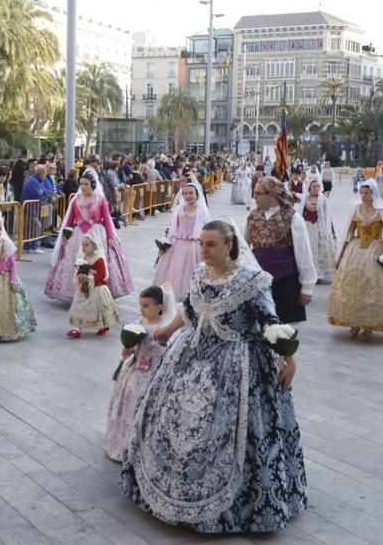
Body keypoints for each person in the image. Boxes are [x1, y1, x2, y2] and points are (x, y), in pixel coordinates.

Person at [121, 220, 307, 533]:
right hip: (193, 354)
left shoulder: (252, 281)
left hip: (238, 362)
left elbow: (271, 323)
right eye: (201, 244)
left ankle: (237, 504)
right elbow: (191, 309)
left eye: (211, 245)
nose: (204, 251)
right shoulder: (199, 274)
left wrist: (289, 360)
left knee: (226, 430)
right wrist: (166, 330)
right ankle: (172, 490)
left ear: (229, 246)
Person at [327, 180, 383, 339]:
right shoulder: (355, 210)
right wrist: (340, 256)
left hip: (376, 250)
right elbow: (348, 235)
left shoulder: (382, 211)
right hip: (355, 251)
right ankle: (353, 322)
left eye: (367, 193)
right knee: (351, 286)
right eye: (361, 193)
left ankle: (368, 325)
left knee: (373, 287)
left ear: (373, 193)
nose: (363, 196)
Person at [104, 285, 168, 462]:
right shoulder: (138, 324)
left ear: (159, 308)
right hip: (134, 370)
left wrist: (161, 343)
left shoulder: (164, 328)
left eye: (146, 305)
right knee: (126, 404)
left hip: (152, 372)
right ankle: (121, 441)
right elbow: (133, 348)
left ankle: (141, 446)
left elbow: (165, 351)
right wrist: (128, 350)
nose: (142, 309)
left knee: (142, 406)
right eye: (141, 305)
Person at [45, 173, 133, 301]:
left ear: (92, 185)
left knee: (97, 261)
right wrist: (65, 234)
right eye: (81, 184)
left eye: (86, 184)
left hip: (97, 234)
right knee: (76, 261)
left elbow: (107, 219)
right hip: (78, 235)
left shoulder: (100, 200)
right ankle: (78, 292)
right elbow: (70, 220)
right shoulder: (75, 200)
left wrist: (110, 237)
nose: (83, 186)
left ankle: (98, 291)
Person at [245, 176, 317, 324]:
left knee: (281, 330)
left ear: (272, 194)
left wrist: (307, 288)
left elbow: (303, 254)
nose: (254, 197)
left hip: (284, 282)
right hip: (258, 283)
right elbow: (244, 249)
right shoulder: (252, 216)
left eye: (258, 193)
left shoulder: (293, 218)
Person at [152, 177, 211, 302]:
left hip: (193, 244)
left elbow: (206, 227)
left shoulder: (201, 210)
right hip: (177, 243)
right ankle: (169, 294)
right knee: (173, 269)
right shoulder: (179, 209)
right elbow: (173, 226)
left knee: (190, 270)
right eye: (185, 193)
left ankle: (189, 296)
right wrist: (166, 241)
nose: (188, 196)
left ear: (196, 194)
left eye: (190, 193)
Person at [67, 226, 120, 339]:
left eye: (87, 245)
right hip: (83, 288)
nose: (84, 247)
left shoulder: (98, 259)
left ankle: (102, 325)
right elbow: (80, 270)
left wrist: (90, 279)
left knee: (98, 308)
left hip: (96, 288)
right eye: (82, 245)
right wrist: (80, 276)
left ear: (95, 246)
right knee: (79, 306)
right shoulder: (84, 259)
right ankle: (77, 327)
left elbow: (102, 274)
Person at [294, 179, 337, 283]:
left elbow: (328, 216)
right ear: (309, 188)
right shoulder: (306, 198)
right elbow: (300, 213)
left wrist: (331, 231)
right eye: (314, 186)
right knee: (308, 250)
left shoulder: (323, 200)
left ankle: (320, 274)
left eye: (318, 186)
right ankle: (309, 273)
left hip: (320, 228)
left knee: (321, 250)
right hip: (308, 227)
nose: (316, 188)